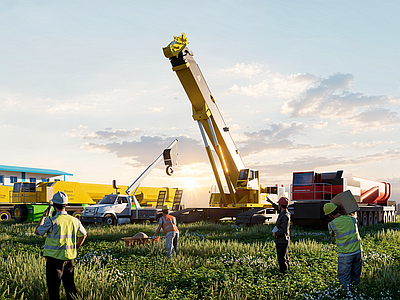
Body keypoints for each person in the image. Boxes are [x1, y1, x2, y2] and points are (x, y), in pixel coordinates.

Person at [35, 191, 87, 300]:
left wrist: (44, 216)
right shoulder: (75, 220)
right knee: (70, 288)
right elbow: (83, 235)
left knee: (54, 289)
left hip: (54, 260)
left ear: (54, 205)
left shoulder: (51, 221)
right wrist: (75, 247)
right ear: (66, 205)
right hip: (69, 258)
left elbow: (37, 231)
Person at [323, 203, 362, 290]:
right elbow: (355, 220)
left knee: (344, 280)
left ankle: (346, 295)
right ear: (338, 209)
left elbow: (332, 234)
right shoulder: (352, 219)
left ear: (329, 215)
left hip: (345, 255)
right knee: (355, 278)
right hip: (358, 252)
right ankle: (356, 293)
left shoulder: (331, 225)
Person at [267, 197, 290, 274]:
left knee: (282, 258)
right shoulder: (284, 212)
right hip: (283, 239)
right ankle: (287, 271)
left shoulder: (285, 216)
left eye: (278, 204)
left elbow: (284, 229)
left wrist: (275, 233)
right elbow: (277, 208)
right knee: (285, 257)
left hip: (282, 240)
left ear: (280, 205)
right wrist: (271, 202)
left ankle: (284, 273)